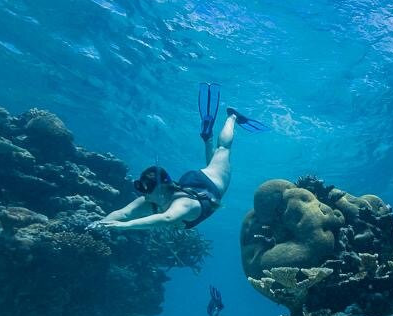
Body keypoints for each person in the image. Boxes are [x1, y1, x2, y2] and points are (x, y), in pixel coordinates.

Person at [96, 83, 268, 231]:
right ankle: (207, 138)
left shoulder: (184, 205)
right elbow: (123, 213)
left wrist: (123, 226)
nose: (143, 193)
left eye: (147, 188)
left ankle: (232, 117)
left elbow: (167, 219)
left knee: (223, 149)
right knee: (217, 156)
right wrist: (101, 222)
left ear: (162, 187)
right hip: (191, 183)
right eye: (141, 188)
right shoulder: (151, 198)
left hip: (208, 186)